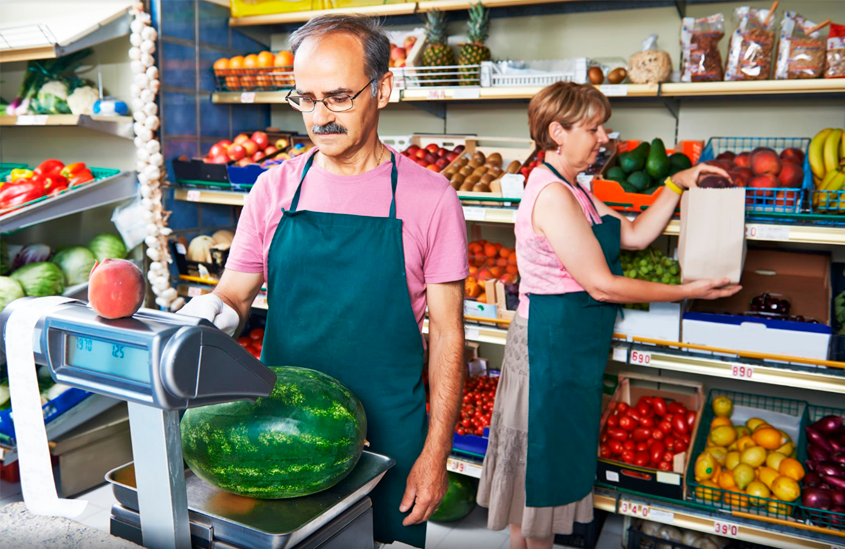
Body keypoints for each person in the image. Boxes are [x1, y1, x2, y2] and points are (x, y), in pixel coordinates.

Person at [178, 15, 469, 548]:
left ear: (382, 89)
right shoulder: (274, 189)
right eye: (306, 99)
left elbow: (449, 335)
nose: (320, 117)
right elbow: (235, 294)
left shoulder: (431, 198)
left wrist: (436, 453)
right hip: (280, 428)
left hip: (392, 434)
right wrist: (208, 314)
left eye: (337, 97)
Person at [477, 82, 741, 549]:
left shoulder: (575, 188)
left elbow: (636, 235)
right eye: (593, 127)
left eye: (603, 126)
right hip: (547, 347)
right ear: (558, 132)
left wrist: (674, 184)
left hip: (569, 346)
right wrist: (686, 291)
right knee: (543, 472)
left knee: (540, 471)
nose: (604, 137)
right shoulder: (552, 195)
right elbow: (602, 284)